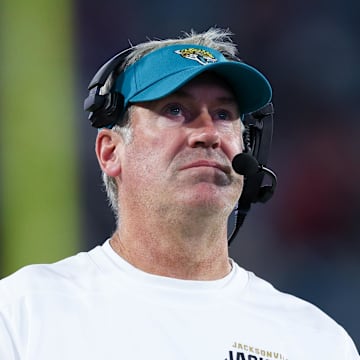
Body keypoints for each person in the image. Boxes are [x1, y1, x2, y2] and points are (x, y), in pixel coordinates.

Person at [0, 28, 358, 360]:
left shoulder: (317, 342)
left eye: (223, 114)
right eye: (175, 110)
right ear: (110, 152)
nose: (208, 133)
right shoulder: (22, 312)